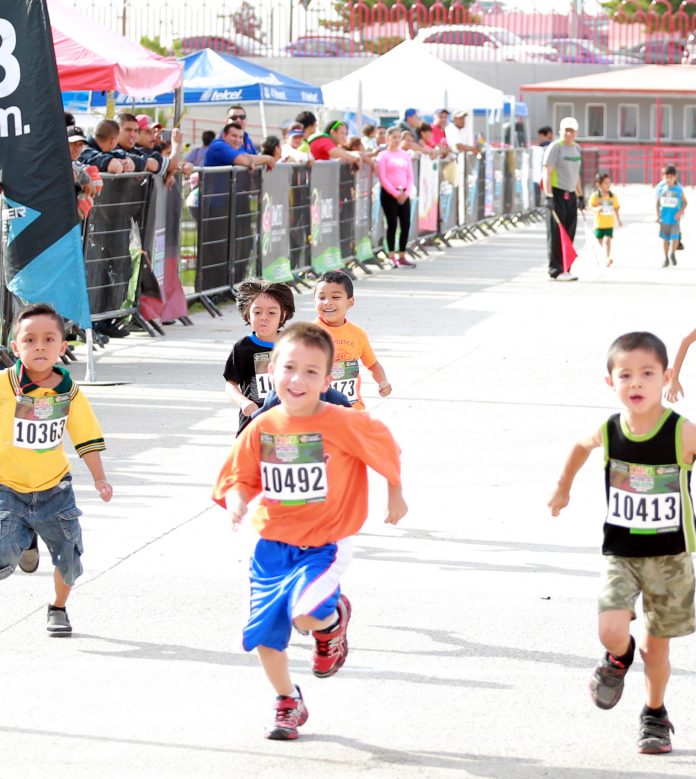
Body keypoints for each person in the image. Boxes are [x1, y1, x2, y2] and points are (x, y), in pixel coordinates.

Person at [212, 322, 407, 740]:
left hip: (325, 542)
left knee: (305, 612)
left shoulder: (342, 421)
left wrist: (395, 493)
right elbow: (239, 476)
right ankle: (287, 700)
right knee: (265, 634)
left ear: (328, 378)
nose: (297, 380)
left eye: (311, 371)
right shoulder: (263, 426)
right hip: (272, 546)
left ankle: (332, 620)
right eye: (289, 368)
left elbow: (385, 445)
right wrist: (236, 500)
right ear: (273, 370)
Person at [548, 331, 696, 755]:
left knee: (657, 649)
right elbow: (580, 446)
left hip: (670, 559)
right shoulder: (610, 430)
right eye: (625, 374)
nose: (636, 383)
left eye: (647, 373)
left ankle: (654, 714)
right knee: (611, 630)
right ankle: (616, 660)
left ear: (666, 377)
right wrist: (563, 487)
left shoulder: (683, 433)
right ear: (609, 381)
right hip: (622, 554)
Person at [0, 304, 112, 635]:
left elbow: (86, 436)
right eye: (30, 340)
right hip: (7, 486)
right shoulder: (4, 385)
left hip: (54, 490)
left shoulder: (70, 393)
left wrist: (100, 477)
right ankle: (25, 542)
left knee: (70, 558)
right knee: (3, 552)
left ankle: (58, 607)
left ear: (62, 348)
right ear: (15, 346)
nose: (39, 346)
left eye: (49, 339)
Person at [223, 279, 296, 436]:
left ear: (282, 315)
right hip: (253, 421)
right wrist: (243, 402)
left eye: (271, 312)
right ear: (247, 315)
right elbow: (230, 384)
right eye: (257, 312)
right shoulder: (242, 347)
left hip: (288, 420)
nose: (264, 317)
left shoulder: (293, 344)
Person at [314, 270, 393, 409]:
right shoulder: (308, 333)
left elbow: (372, 364)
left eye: (335, 297)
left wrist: (383, 381)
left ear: (350, 302)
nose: (327, 302)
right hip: (320, 409)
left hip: (352, 408)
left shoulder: (358, 334)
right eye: (321, 297)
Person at [542, 116, 584, 282]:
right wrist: (549, 196)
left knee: (569, 232)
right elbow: (547, 171)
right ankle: (555, 269)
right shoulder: (555, 148)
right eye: (566, 130)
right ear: (561, 131)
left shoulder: (577, 149)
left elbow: (576, 174)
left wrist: (580, 195)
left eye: (572, 130)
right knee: (556, 233)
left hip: (571, 194)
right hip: (557, 193)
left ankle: (567, 267)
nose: (569, 133)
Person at [376, 127, 416, 269]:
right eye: (394, 137)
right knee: (392, 224)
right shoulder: (383, 156)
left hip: (404, 192)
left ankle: (402, 254)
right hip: (389, 194)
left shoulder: (405, 155)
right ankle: (391, 255)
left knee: (405, 224)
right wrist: (395, 193)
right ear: (387, 138)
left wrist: (406, 191)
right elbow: (382, 177)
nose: (397, 140)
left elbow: (410, 175)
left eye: (399, 137)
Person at [205, 122, 276, 170]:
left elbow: (248, 156)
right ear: (224, 135)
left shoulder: (235, 148)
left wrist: (250, 161)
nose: (238, 140)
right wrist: (267, 159)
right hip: (214, 191)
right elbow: (242, 160)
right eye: (234, 136)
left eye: (240, 137)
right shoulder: (218, 145)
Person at [656, 164, 687, 268]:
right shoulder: (661, 189)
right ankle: (665, 258)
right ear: (663, 177)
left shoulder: (678, 190)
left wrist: (680, 212)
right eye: (666, 177)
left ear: (675, 177)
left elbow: (685, 202)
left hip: (675, 220)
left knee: (675, 238)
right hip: (664, 220)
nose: (668, 179)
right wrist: (658, 216)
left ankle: (672, 253)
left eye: (671, 177)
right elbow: (657, 202)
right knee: (665, 240)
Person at [589, 172, 622, 267]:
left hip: (609, 224)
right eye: (605, 183)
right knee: (599, 242)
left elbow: (616, 208)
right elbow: (590, 206)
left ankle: (607, 258)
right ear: (599, 184)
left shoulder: (612, 196)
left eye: (609, 182)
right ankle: (599, 258)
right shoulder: (595, 196)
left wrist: (619, 220)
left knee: (608, 241)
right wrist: (597, 209)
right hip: (599, 224)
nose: (608, 185)